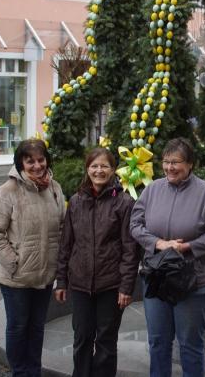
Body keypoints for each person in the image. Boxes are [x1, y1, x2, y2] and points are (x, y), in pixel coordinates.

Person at [129, 137, 205, 377]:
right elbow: (135, 224)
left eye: (176, 162)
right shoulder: (152, 189)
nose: (169, 168)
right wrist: (158, 244)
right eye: (165, 162)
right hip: (157, 278)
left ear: (190, 164)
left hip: (194, 281)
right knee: (158, 342)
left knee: (189, 345)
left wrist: (189, 247)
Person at [54, 147, 140, 377]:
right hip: (80, 284)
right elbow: (66, 244)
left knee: (106, 341)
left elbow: (130, 248)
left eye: (104, 166)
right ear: (87, 169)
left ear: (113, 170)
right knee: (82, 338)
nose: (99, 170)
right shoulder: (76, 201)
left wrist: (126, 286)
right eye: (94, 166)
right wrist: (61, 280)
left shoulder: (124, 203)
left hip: (110, 285)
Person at [0, 138, 66, 377]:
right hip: (16, 278)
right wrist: (14, 262)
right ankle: (20, 372)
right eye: (30, 161)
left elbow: (62, 228)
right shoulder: (8, 191)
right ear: (20, 163)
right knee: (19, 327)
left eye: (41, 160)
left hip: (45, 274)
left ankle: (33, 371)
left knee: (37, 327)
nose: (37, 165)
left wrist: (58, 266)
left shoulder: (54, 188)